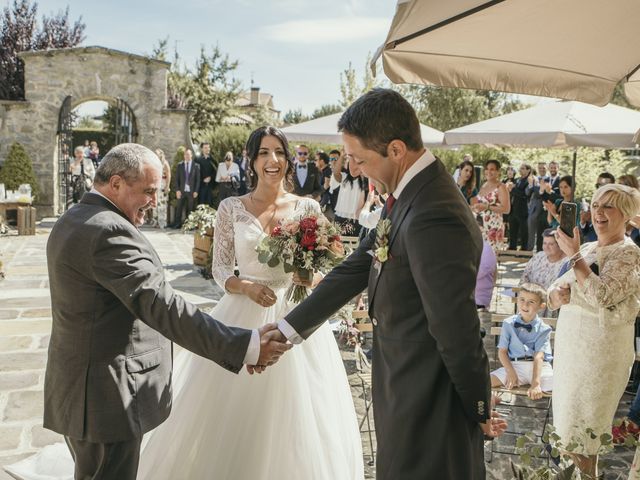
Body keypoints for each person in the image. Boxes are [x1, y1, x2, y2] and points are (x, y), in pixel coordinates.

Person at [4, 143, 289, 480]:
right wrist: (246, 345)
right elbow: (162, 305)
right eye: (149, 191)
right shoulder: (108, 230)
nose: (155, 201)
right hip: (108, 397)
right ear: (116, 184)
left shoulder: (75, 216)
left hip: (82, 391)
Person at [273, 89, 507, 479]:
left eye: (360, 159)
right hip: (403, 387)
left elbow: (456, 328)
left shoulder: (436, 212)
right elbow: (358, 265)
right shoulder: (408, 193)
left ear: (396, 150)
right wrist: (287, 329)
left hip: (429, 400)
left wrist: (478, 408)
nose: (354, 168)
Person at [137, 127, 364, 479]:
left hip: (294, 315)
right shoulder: (231, 207)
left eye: (278, 152)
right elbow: (220, 270)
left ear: (287, 159)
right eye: (263, 153)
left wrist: (308, 277)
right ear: (252, 160)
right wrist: (246, 286)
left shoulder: (308, 207)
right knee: (231, 411)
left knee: (299, 414)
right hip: (243, 316)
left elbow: (321, 270)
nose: (272, 160)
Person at [549, 183, 640, 478]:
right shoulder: (587, 248)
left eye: (608, 206)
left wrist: (574, 258)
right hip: (570, 351)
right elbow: (555, 288)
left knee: (584, 435)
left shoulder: (629, 253)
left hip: (599, 357)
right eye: (596, 204)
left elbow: (605, 296)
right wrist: (555, 296)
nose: (599, 212)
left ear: (625, 215)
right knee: (566, 433)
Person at [490, 283, 553, 400]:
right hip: (515, 366)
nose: (525, 304)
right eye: (522, 299)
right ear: (517, 300)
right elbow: (502, 352)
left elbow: (538, 357)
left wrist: (535, 384)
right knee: (484, 382)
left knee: (560, 387)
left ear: (541, 306)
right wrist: (511, 372)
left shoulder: (544, 328)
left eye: (531, 302)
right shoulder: (508, 323)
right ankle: (492, 402)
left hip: (540, 368)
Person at [472, 159, 511, 252]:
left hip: (493, 228)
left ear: (498, 172)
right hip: (480, 227)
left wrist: (487, 207)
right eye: (487, 169)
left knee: (489, 258)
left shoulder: (501, 187)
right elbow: (480, 204)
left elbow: (506, 209)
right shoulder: (483, 185)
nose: (489, 172)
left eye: (492, 169)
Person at [331, 152, 367, 236]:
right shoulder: (344, 177)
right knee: (337, 244)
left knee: (355, 245)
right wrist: (342, 155)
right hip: (341, 216)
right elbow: (336, 172)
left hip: (357, 218)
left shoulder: (366, 179)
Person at [170, 147, 200, 228]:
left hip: (192, 191)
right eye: (185, 154)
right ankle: (177, 224)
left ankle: (189, 225)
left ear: (191, 155)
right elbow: (176, 179)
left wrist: (196, 191)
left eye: (188, 154)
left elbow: (198, 180)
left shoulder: (196, 166)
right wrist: (177, 190)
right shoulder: (180, 165)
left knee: (190, 209)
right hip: (182, 191)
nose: (187, 156)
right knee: (179, 208)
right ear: (184, 156)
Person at [508, 163, 532, 250]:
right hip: (513, 209)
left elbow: (525, 195)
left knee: (523, 232)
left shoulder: (529, 180)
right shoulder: (517, 180)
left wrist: (513, 189)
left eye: (523, 168)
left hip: (523, 210)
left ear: (528, 170)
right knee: (512, 230)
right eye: (520, 168)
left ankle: (524, 249)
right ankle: (512, 247)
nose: (520, 170)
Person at [526, 162, 550, 251]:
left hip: (545, 210)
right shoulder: (534, 179)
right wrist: (531, 184)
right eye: (540, 168)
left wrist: (538, 188)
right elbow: (527, 193)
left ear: (546, 168)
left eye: (543, 168)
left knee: (543, 233)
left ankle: (543, 251)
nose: (542, 170)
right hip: (534, 209)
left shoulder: (550, 179)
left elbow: (541, 193)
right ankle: (529, 250)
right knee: (531, 231)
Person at [153, 148, 171, 228]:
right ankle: (155, 221)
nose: (156, 154)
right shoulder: (153, 162)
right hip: (155, 186)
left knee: (162, 205)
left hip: (163, 185)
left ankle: (162, 222)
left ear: (161, 154)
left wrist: (167, 186)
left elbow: (168, 175)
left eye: (157, 153)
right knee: (154, 204)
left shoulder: (165, 163)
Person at [195, 142, 216, 206]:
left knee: (209, 204)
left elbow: (215, 171)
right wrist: (202, 179)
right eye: (205, 148)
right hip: (201, 186)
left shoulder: (212, 160)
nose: (207, 149)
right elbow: (195, 173)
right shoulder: (197, 160)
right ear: (202, 149)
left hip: (210, 187)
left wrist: (210, 177)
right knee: (201, 205)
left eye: (208, 147)